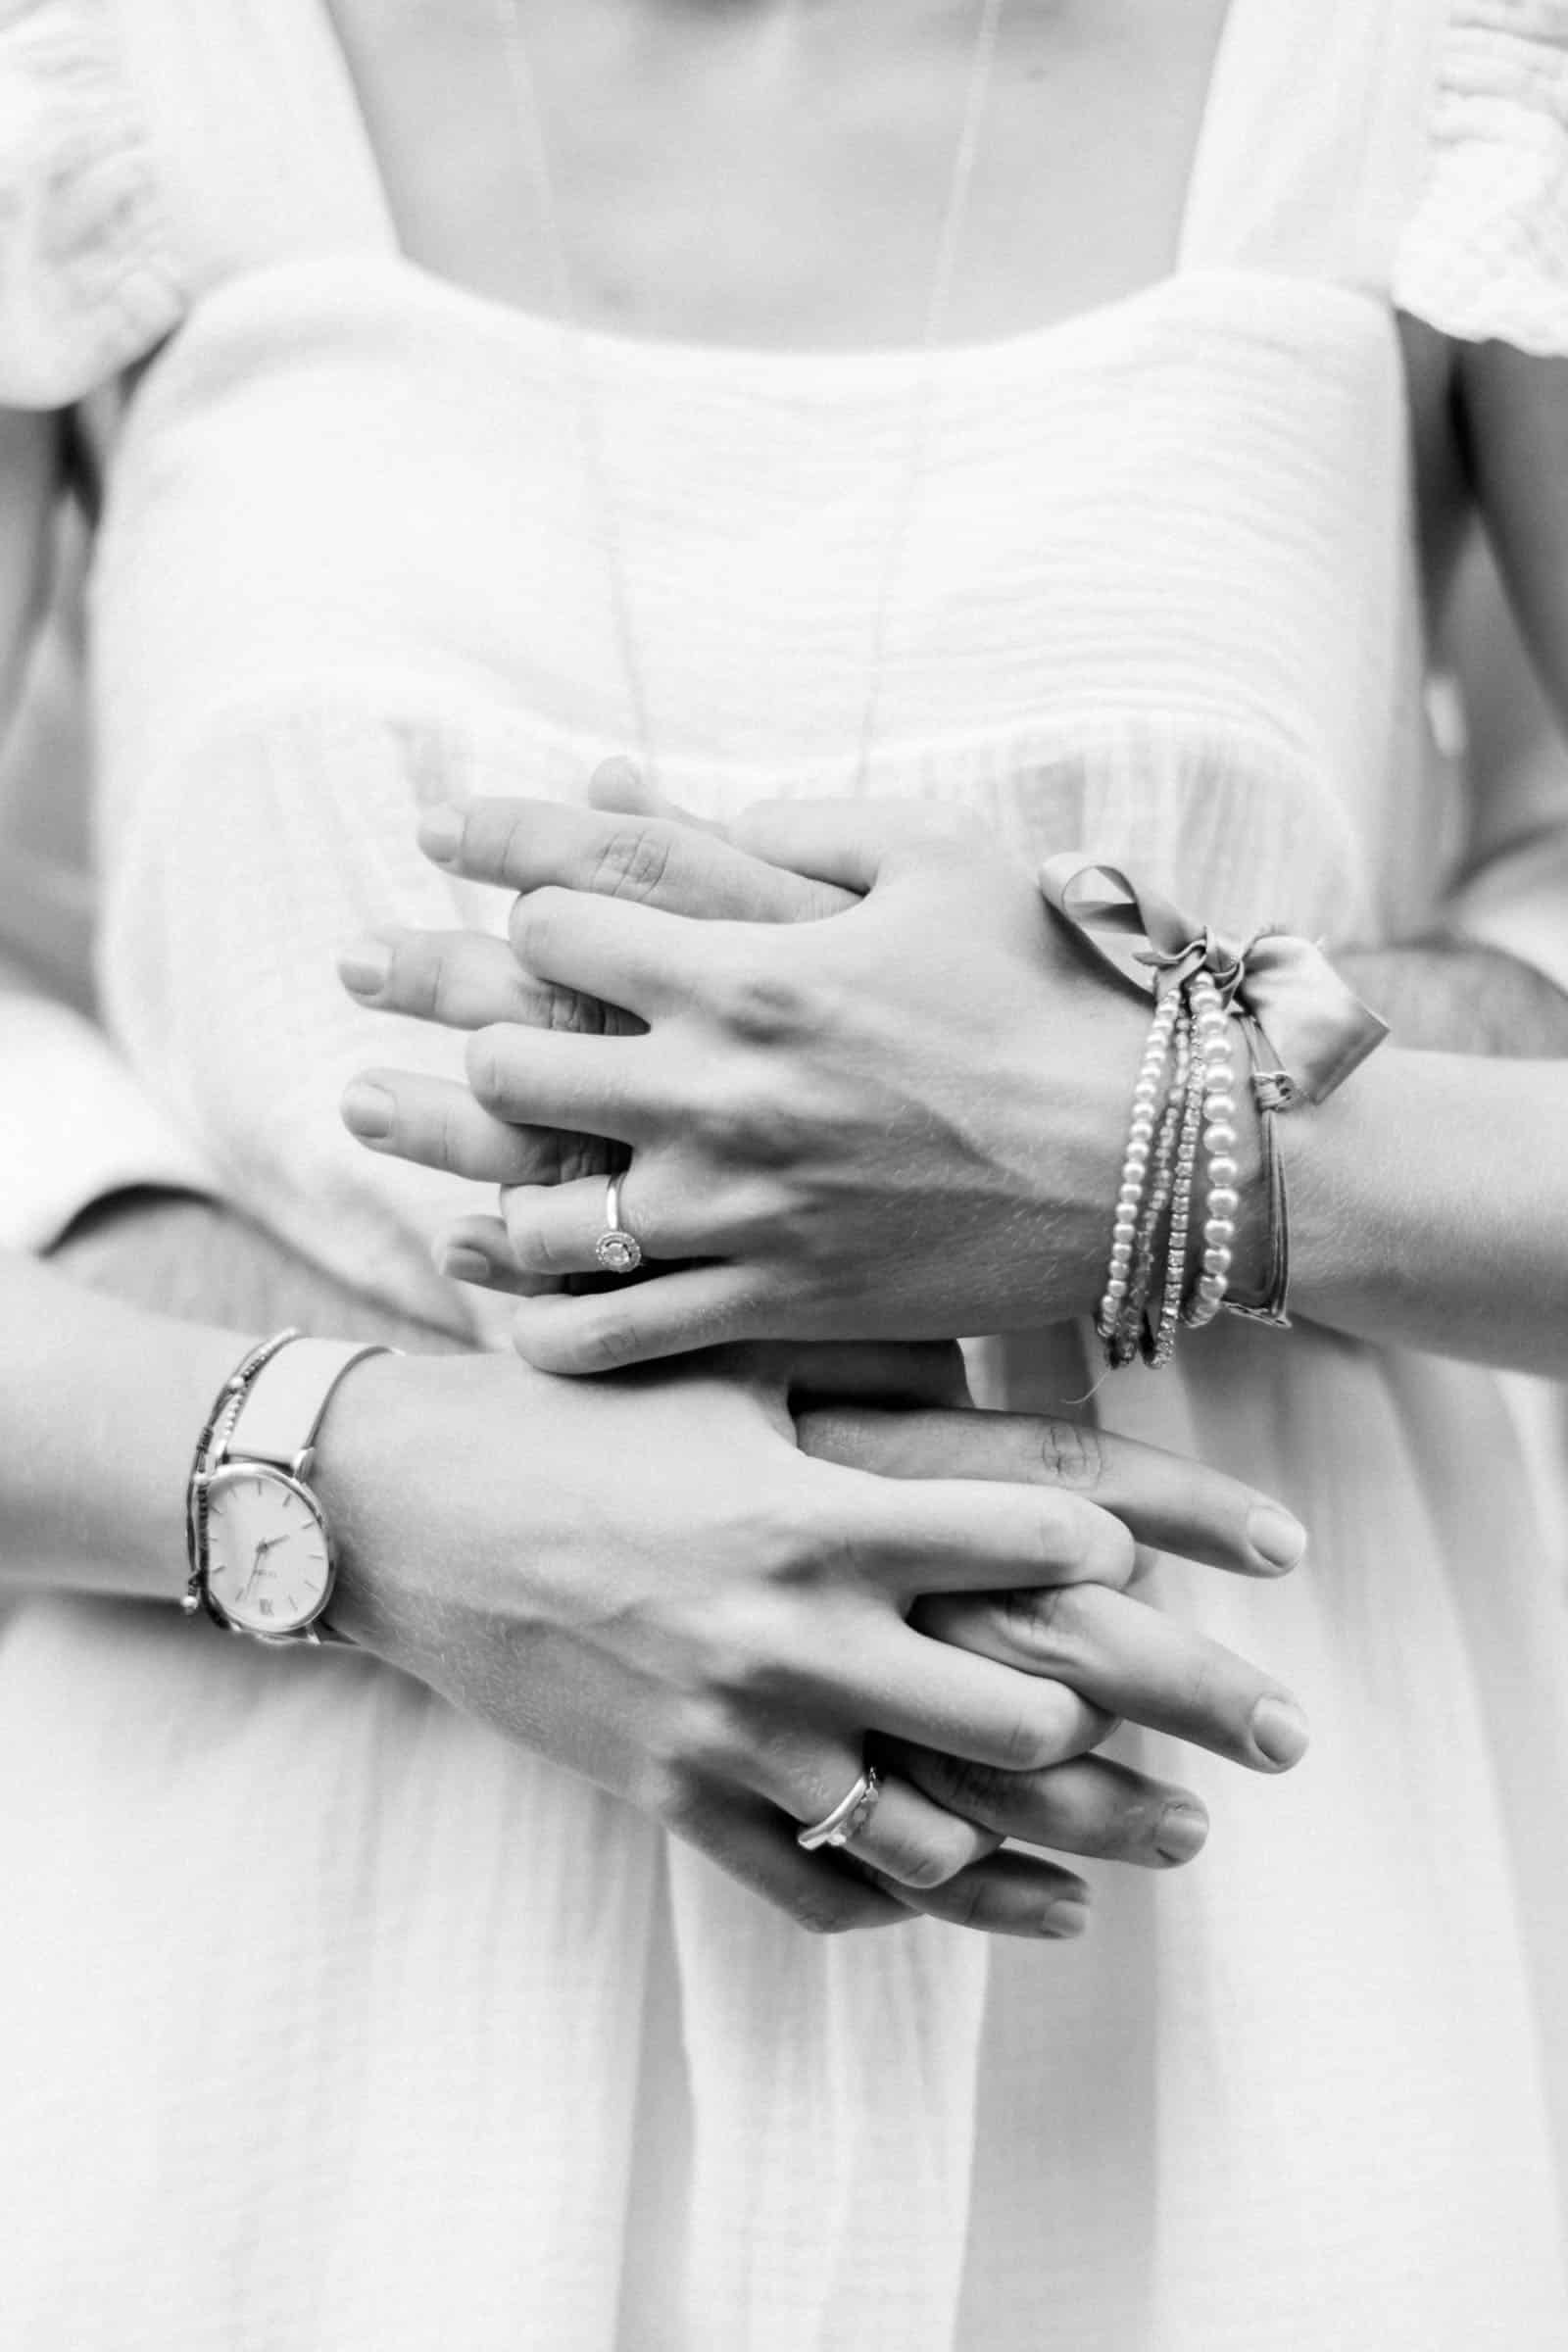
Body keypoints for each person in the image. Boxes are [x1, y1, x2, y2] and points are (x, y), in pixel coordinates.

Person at [0, 4, 1563, 2349]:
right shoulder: (93, 80)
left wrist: (1136, 1131)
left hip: (1235, 1964)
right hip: (291, 1982)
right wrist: (382, 1485)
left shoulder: (1448, 78)